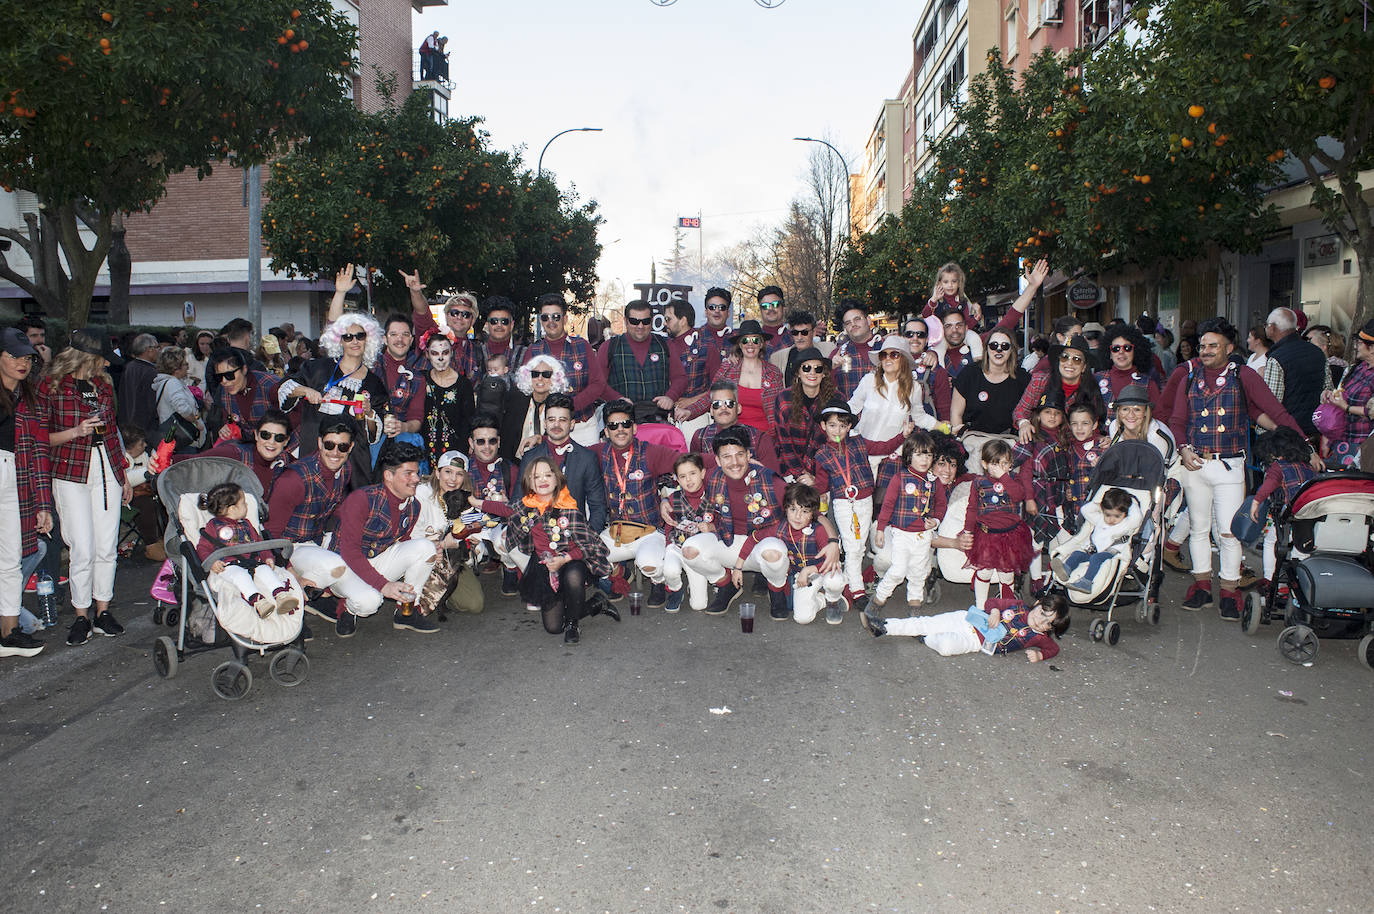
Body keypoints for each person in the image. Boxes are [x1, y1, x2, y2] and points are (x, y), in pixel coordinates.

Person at [1168, 317, 1306, 620]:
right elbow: (1177, 421)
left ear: (1229, 348)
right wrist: (1183, 448)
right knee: (1200, 529)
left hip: (1229, 465)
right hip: (1194, 463)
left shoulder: (1243, 375)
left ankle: (1229, 591)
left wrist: (1303, 443)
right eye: (1202, 345)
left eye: (1212, 345)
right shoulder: (1189, 377)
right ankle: (1202, 585)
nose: (1205, 351)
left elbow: (1274, 411)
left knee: (1229, 533)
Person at [39, 329, 131, 646]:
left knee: (106, 546)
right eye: (103, 357)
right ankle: (81, 615)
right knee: (82, 547)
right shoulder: (52, 386)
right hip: (69, 469)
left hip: (105, 465)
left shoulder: (102, 385)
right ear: (88, 357)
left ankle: (102, 610)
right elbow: (40, 438)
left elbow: (112, 430)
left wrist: (121, 475)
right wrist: (76, 431)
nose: (107, 363)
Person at [679, 426, 798, 620]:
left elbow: (807, 509)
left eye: (740, 455)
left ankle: (776, 589)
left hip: (762, 543)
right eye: (726, 457)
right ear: (717, 460)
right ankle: (725, 584)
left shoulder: (770, 480)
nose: (734, 462)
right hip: (728, 541)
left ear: (749, 455)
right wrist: (665, 503)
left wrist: (832, 542)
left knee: (774, 554)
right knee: (690, 550)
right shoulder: (711, 477)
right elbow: (686, 490)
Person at [496, 456, 617, 644]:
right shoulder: (526, 505)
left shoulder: (567, 507)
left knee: (573, 575)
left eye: (548, 475)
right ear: (530, 481)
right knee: (553, 628)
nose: (543, 480)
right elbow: (504, 509)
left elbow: (594, 545)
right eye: (537, 477)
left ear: (557, 479)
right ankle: (596, 603)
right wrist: (474, 501)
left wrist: (566, 558)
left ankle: (573, 623)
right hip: (546, 565)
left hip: (572, 560)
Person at [331, 442, 441, 636]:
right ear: (388, 475)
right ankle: (346, 608)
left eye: (416, 472)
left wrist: (432, 553)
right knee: (370, 603)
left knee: (426, 548)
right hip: (343, 567)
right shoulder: (361, 499)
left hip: (376, 560)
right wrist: (384, 585)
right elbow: (349, 552)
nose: (416, 478)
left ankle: (407, 610)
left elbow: (403, 542)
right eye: (408, 473)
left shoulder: (413, 505)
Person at [265, 419, 366, 627]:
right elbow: (271, 534)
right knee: (334, 565)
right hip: (288, 546)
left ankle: (317, 595)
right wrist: (291, 573)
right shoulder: (294, 479)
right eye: (329, 445)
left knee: (367, 596)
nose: (335, 452)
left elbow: (335, 507)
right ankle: (291, 606)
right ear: (319, 443)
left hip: (315, 539)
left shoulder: (344, 469)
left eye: (342, 446)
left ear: (351, 447)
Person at [280, 311, 386, 484]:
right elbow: (284, 388)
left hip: (353, 461)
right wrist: (305, 391)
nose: (354, 341)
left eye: (360, 336)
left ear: (368, 339)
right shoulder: (316, 368)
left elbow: (374, 436)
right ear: (339, 340)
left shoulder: (375, 384)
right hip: (314, 447)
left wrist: (369, 413)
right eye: (348, 337)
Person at [595, 400, 680, 606]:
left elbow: (688, 462)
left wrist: (736, 463)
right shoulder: (597, 453)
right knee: (588, 555)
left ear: (634, 427)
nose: (620, 429)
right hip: (617, 532)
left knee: (649, 564)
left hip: (649, 530)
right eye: (613, 426)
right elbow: (564, 456)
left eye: (625, 424)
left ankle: (658, 582)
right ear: (606, 431)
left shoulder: (650, 451)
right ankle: (620, 570)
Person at [0, 328, 53, 658]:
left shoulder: (30, 398)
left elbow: (38, 451)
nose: (23, 363)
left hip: (14, 476)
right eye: (14, 356)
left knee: (10, 559)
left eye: (27, 357)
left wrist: (43, 503)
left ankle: (9, 633)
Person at [734, 482, 844, 624]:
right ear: (785, 509)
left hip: (822, 570)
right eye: (793, 509)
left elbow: (831, 562)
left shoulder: (819, 530)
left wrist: (809, 570)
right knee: (800, 617)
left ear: (812, 514)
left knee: (834, 580)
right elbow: (753, 538)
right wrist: (738, 567)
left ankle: (833, 599)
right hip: (800, 575)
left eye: (804, 511)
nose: (797, 516)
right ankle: (822, 599)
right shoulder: (780, 527)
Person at [861, 593, 1069, 663]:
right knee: (926, 621)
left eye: (1047, 624)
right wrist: (995, 611)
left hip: (975, 642)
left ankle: (925, 637)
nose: (1040, 621)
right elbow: (992, 602)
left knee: (946, 647)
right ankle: (884, 626)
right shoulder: (1018, 606)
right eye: (1042, 613)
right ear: (1039, 603)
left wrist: (1040, 656)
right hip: (968, 621)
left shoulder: (1038, 637)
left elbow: (1054, 649)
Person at [196, 482, 299, 618]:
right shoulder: (213, 526)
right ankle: (258, 602)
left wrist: (268, 556)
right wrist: (212, 561)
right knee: (241, 577)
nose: (247, 506)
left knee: (266, 571)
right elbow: (203, 547)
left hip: (253, 562)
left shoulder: (246, 524)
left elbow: (259, 543)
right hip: (229, 565)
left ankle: (281, 595)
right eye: (244, 503)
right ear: (232, 509)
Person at [811, 400, 876, 612]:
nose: (837, 430)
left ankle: (849, 580)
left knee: (859, 545)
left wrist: (902, 436)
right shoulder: (821, 454)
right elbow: (821, 484)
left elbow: (882, 446)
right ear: (823, 426)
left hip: (865, 500)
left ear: (849, 426)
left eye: (842, 425)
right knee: (851, 545)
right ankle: (857, 591)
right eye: (831, 425)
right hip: (842, 502)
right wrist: (809, 493)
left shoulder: (859, 443)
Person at [872, 430, 945, 611]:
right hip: (901, 533)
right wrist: (881, 528)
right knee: (897, 571)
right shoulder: (899, 478)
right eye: (919, 454)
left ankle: (915, 608)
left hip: (923, 535)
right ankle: (876, 603)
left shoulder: (934, 481)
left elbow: (942, 505)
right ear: (909, 456)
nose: (924, 459)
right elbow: (887, 505)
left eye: (928, 455)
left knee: (918, 572)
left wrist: (935, 521)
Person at [515, 393, 607, 533]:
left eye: (562, 420)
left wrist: (589, 539)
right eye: (551, 420)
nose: (556, 425)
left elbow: (598, 506)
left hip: (574, 533)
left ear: (571, 424)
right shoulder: (530, 457)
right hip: (537, 535)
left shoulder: (587, 458)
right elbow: (518, 501)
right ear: (545, 423)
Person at [959, 439, 1033, 611]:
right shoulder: (978, 482)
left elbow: (1018, 496)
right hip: (986, 534)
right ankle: (980, 608)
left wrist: (1005, 477)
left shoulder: (1014, 479)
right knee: (984, 571)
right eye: (995, 463)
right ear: (984, 464)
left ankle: (1006, 609)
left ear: (1011, 464)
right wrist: (968, 531)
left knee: (1006, 574)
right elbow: (972, 509)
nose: (1000, 468)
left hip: (1010, 535)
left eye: (1004, 463)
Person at [410, 451, 485, 620]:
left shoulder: (466, 498)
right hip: (422, 559)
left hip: (451, 561)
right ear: (437, 473)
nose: (453, 479)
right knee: (416, 608)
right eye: (448, 472)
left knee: (474, 604)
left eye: (459, 474)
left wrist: (474, 545)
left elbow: (480, 535)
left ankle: (444, 597)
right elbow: (412, 538)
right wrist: (442, 544)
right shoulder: (420, 495)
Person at [848, 335, 939, 474]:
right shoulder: (868, 381)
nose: (888, 359)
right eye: (884, 355)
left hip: (891, 456)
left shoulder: (914, 388)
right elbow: (851, 409)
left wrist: (946, 428)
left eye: (894, 354)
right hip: (862, 451)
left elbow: (920, 417)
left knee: (885, 496)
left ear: (904, 359)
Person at [526, 292, 606, 445]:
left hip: (583, 425)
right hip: (547, 429)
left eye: (556, 316)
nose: (551, 321)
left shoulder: (582, 346)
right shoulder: (533, 351)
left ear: (565, 318)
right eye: (545, 317)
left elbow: (598, 383)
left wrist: (569, 407)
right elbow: (526, 389)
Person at [679, 320, 783, 437]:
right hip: (731, 435)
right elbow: (710, 397)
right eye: (745, 340)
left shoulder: (774, 373)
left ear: (761, 344)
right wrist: (689, 411)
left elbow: (780, 410)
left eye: (755, 340)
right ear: (739, 344)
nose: (750, 344)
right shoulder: (728, 368)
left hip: (765, 437)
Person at [1246, 427, 1317, 594]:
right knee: (1300, 548)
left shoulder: (1279, 466)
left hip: (1291, 515)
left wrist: (1256, 501)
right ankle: (1298, 587)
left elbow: (1268, 485)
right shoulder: (1308, 466)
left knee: (1272, 541)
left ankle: (1271, 580)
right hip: (1310, 516)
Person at [949, 326, 1029, 469]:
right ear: (986, 349)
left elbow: (1030, 411)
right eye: (994, 345)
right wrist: (960, 441)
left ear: (1012, 350)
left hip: (1008, 444)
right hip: (973, 443)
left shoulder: (1022, 379)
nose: (999, 350)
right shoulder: (970, 374)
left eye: (1005, 346)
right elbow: (956, 413)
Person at [1014, 336, 1107, 443]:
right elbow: (1020, 411)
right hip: (1039, 442)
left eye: (1076, 359)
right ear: (1059, 361)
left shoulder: (1090, 389)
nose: (1069, 363)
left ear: (1084, 367)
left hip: (1072, 446)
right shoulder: (1040, 380)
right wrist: (1024, 423)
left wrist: (1100, 438)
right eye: (1064, 357)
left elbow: (1095, 424)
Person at [1052, 488, 1143, 592]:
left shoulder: (1126, 524)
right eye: (1108, 515)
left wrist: (1130, 502)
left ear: (1125, 513)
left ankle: (1086, 583)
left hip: (1113, 553)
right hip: (1092, 550)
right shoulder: (1100, 519)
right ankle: (1066, 569)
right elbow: (1085, 510)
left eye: (1117, 516)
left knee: (1096, 558)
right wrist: (1100, 505)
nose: (1111, 519)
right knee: (1077, 554)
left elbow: (1137, 517)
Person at [399, 269, 481, 379]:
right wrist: (415, 292)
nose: (459, 317)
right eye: (454, 313)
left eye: (466, 314)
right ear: (446, 315)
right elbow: (422, 312)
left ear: (473, 320)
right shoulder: (431, 335)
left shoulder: (479, 351)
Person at [1260, 307, 1329, 438]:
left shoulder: (1277, 358)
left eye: (1266, 325)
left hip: (1287, 432)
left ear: (1272, 327)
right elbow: (1328, 390)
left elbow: (1271, 402)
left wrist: (1263, 430)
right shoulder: (1317, 352)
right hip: (1316, 427)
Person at [604, 300, 684, 411]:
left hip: (658, 416)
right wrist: (617, 399)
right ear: (625, 321)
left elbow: (680, 377)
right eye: (634, 321)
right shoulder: (609, 346)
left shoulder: (665, 344)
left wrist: (670, 397)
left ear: (651, 321)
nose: (640, 326)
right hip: (621, 418)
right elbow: (597, 382)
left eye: (645, 321)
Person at [659, 453, 713, 613]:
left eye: (693, 473)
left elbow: (722, 523)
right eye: (683, 476)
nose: (688, 480)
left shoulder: (713, 495)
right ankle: (676, 589)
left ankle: (695, 581)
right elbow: (669, 524)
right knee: (670, 569)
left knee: (699, 605)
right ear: (677, 478)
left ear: (702, 473)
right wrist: (669, 548)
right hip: (677, 546)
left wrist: (712, 527)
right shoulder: (673, 498)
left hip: (698, 554)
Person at [688, 379, 781, 472]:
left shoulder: (759, 438)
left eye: (729, 403)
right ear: (711, 410)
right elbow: (692, 469)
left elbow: (774, 478)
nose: (723, 407)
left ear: (738, 408)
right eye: (717, 404)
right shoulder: (700, 437)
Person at [769, 347, 833, 483]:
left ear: (824, 374)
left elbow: (837, 441)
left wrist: (818, 477)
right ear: (798, 372)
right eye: (806, 368)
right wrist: (801, 474)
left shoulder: (836, 400)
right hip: (789, 470)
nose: (812, 373)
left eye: (818, 369)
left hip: (825, 470)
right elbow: (784, 443)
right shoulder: (783, 399)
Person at [664, 298, 722, 444]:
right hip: (666, 419)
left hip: (696, 419)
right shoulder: (661, 346)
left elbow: (718, 388)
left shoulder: (706, 347)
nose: (664, 324)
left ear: (682, 320)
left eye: (668, 319)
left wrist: (692, 401)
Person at [1318, 319, 1374, 465]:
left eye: (1360, 343)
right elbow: (1341, 394)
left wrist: (1347, 407)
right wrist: (1330, 396)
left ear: (1372, 347)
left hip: (1363, 446)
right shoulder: (1357, 368)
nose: (1355, 347)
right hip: (1342, 441)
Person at [420, 330, 474, 469]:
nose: (440, 358)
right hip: (424, 454)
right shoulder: (421, 380)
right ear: (427, 354)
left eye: (445, 352)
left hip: (454, 455)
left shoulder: (463, 384)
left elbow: (468, 421)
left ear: (452, 353)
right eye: (435, 353)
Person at [376, 313, 427, 457]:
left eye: (405, 335)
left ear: (411, 340)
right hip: (370, 438)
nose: (400, 339)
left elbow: (416, 418)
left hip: (400, 441)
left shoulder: (417, 376)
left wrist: (403, 427)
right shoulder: (370, 366)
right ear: (385, 339)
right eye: (394, 334)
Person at [209, 348, 285, 444]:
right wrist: (227, 428)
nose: (224, 381)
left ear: (244, 369)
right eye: (218, 377)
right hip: (246, 449)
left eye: (229, 375)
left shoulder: (271, 385)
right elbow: (229, 420)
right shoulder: (225, 391)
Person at [503, 353, 568, 463]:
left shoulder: (561, 405)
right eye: (535, 374)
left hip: (550, 464)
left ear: (555, 377)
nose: (540, 378)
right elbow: (507, 437)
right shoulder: (516, 400)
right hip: (517, 463)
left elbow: (562, 439)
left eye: (546, 374)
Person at [1095, 325, 1162, 415]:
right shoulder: (1096, 379)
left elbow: (1159, 416)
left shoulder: (1148, 384)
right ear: (1109, 353)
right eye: (1116, 348)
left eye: (1127, 348)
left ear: (1136, 351)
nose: (1121, 352)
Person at [152, 347, 205, 451]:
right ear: (176, 368)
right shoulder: (173, 383)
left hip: (175, 436)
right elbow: (183, 408)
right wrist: (196, 422)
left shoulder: (166, 383)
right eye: (185, 364)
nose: (188, 367)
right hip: (182, 437)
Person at [829, 300, 883, 401]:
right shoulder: (836, 354)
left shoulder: (888, 349)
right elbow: (826, 391)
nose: (853, 324)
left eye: (857, 319)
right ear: (845, 328)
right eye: (848, 323)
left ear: (868, 320)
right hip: (850, 415)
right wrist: (830, 370)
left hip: (884, 415)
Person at [770, 308, 833, 387]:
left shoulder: (829, 350)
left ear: (813, 333)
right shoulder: (778, 358)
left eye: (804, 332)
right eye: (795, 333)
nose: (799, 337)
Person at [905, 316, 952, 421]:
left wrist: (944, 433)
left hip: (925, 434)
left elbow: (945, 410)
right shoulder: (891, 363)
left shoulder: (937, 371)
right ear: (903, 337)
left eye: (920, 334)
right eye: (909, 334)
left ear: (926, 340)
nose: (915, 338)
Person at [117, 333, 161, 436]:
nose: (159, 351)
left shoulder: (129, 367)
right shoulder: (151, 372)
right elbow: (151, 403)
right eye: (157, 347)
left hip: (127, 424)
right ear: (149, 350)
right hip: (145, 428)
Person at [921, 262, 984, 329]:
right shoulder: (936, 301)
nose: (950, 285)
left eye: (954, 281)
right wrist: (933, 299)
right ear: (940, 283)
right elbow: (925, 315)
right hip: (941, 336)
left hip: (958, 336)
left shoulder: (962, 302)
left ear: (959, 283)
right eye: (946, 282)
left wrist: (976, 318)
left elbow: (966, 326)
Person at [755, 285, 793, 356]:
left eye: (775, 304)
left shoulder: (795, 337)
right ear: (760, 310)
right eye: (765, 306)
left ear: (783, 308)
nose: (770, 309)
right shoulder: (752, 341)